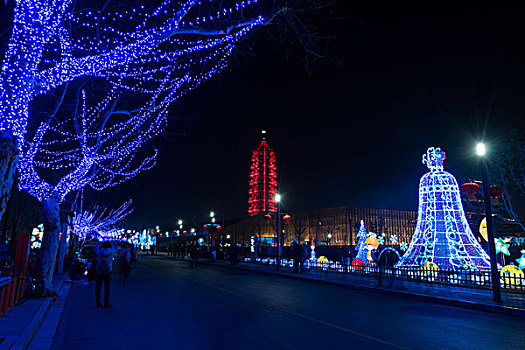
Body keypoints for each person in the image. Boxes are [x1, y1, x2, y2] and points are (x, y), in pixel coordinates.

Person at [95, 241, 114, 308]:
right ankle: (106, 303)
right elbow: (115, 247)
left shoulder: (99, 251)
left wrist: (99, 243)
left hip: (99, 270)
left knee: (98, 288)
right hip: (107, 271)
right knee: (107, 288)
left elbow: (96, 248)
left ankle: (98, 303)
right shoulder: (111, 252)